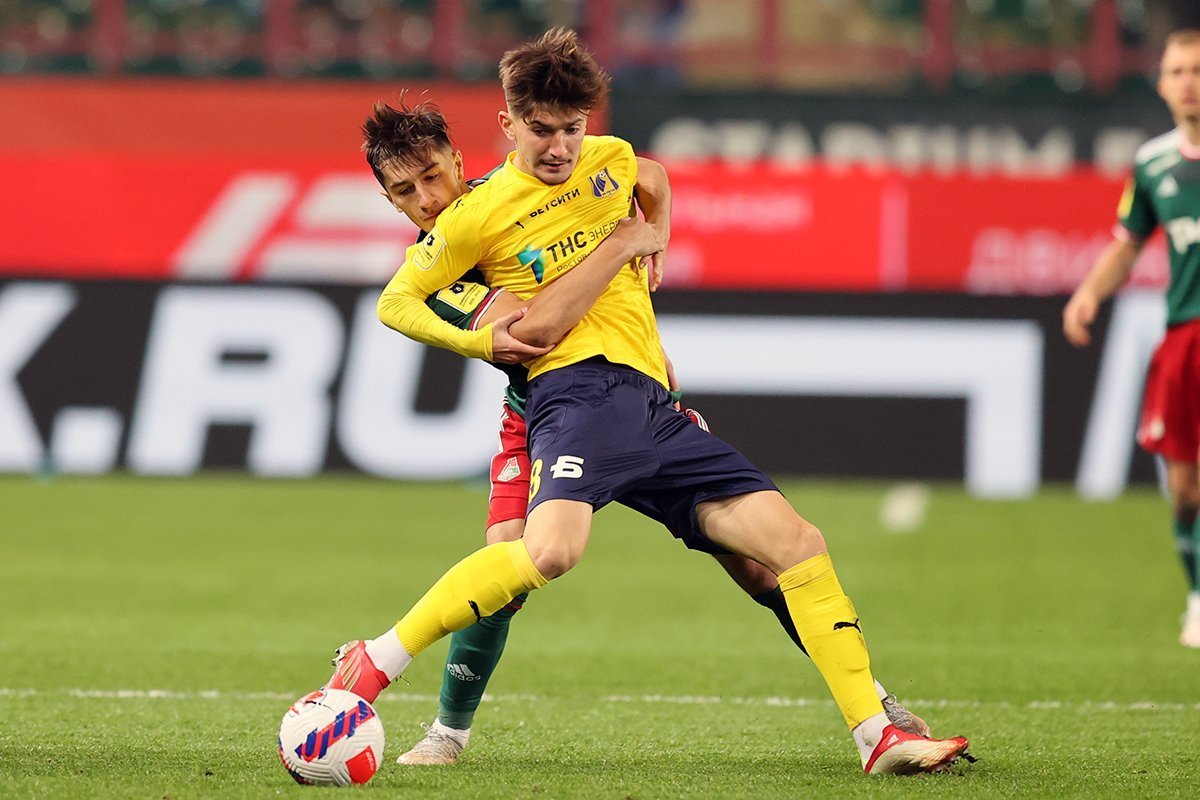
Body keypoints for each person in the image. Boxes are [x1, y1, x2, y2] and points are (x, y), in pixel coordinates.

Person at [331, 28, 972, 775]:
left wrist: (654, 234)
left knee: (768, 562)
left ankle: (877, 713)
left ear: (458, 158)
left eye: (432, 177)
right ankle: (441, 725)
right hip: (551, 406)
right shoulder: (452, 251)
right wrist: (613, 253)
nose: (427, 200)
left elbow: (651, 175)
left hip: (643, 396)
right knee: (521, 561)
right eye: (405, 193)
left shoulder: (594, 162)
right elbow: (533, 330)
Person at [1064, 27, 1200, 649]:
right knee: (1185, 490)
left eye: (1198, 70)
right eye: (1178, 71)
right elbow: (1127, 244)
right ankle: (1197, 596)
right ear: (1162, 84)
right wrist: (1090, 292)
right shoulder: (1153, 163)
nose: (1189, 83)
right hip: (1186, 338)